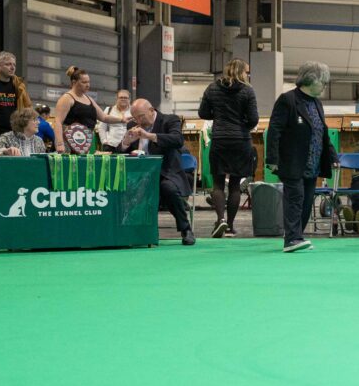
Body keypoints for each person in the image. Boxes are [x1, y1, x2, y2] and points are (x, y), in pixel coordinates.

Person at [265, 61, 338, 253]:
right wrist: (272, 159)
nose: (325, 86)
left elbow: (322, 133)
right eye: (323, 82)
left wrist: (332, 156)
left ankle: (297, 235)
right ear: (311, 79)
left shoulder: (317, 103)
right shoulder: (287, 100)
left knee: (306, 201)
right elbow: (274, 131)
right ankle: (291, 239)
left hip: (313, 164)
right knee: (295, 198)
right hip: (292, 162)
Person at [120, 99, 195, 246]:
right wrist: (126, 142)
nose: (138, 121)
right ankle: (130, 233)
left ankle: (186, 229)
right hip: (139, 174)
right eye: (135, 118)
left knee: (168, 189)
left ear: (151, 110)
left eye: (141, 116)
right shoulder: (131, 126)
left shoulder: (169, 120)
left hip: (165, 172)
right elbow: (120, 152)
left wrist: (149, 136)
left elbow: (177, 140)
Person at [198, 59, 259, 239]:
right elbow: (254, 119)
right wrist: (243, 126)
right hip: (240, 141)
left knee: (218, 183)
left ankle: (220, 219)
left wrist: (218, 116)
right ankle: (230, 226)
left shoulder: (212, 88)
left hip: (220, 140)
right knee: (234, 185)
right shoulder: (247, 91)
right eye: (247, 71)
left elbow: (202, 113)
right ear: (242, 72)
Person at [53, 66, 124, 154]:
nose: (88, 85)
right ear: (74, 82)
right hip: (68, 141)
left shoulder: (89, 99)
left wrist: (121, 119)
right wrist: (60, 143)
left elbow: (104, 117)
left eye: (88, 82)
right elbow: (58, 122)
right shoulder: (66, 98)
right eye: (84, 82)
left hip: (85, 141)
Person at [0, 52, 32, 137]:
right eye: (8, 64)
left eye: (14, 65)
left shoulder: (19, 86)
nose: (12, 67)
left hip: (14, 133)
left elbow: (28, 107)